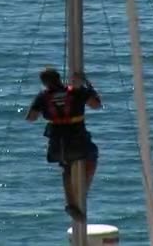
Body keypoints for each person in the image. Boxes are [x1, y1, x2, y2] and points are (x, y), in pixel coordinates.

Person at [25, 67, 102, 222]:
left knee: (66, 167)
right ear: (60, 78)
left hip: (58, 144)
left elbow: (31, 118)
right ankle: (83, 192)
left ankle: (70, 203)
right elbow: (96, 105)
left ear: (44, 83)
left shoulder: (43, 97)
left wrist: (41, 102)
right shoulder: (76, 92)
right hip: (78, 140)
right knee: (91, 155)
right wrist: (87, 84)